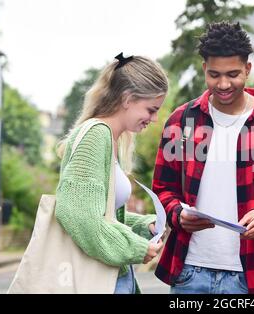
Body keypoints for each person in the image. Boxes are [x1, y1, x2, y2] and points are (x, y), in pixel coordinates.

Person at [152, 22, 254, 294]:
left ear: (248, 69)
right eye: (214, 74)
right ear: (204, 69)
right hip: (188, 273)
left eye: (233, 74)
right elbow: (162, 190)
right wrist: (177, 214)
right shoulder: (181, 122)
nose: (223, 84)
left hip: (247, 276)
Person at [55, 53, 168, 294]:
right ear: (127, 98)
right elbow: (78, 215)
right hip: (96, 281)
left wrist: (143, 225)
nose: (154, 118)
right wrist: (135, 248)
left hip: (108, 277)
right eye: (151, 109)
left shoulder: (111, 138)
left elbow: (102, 215)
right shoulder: (97, 136)